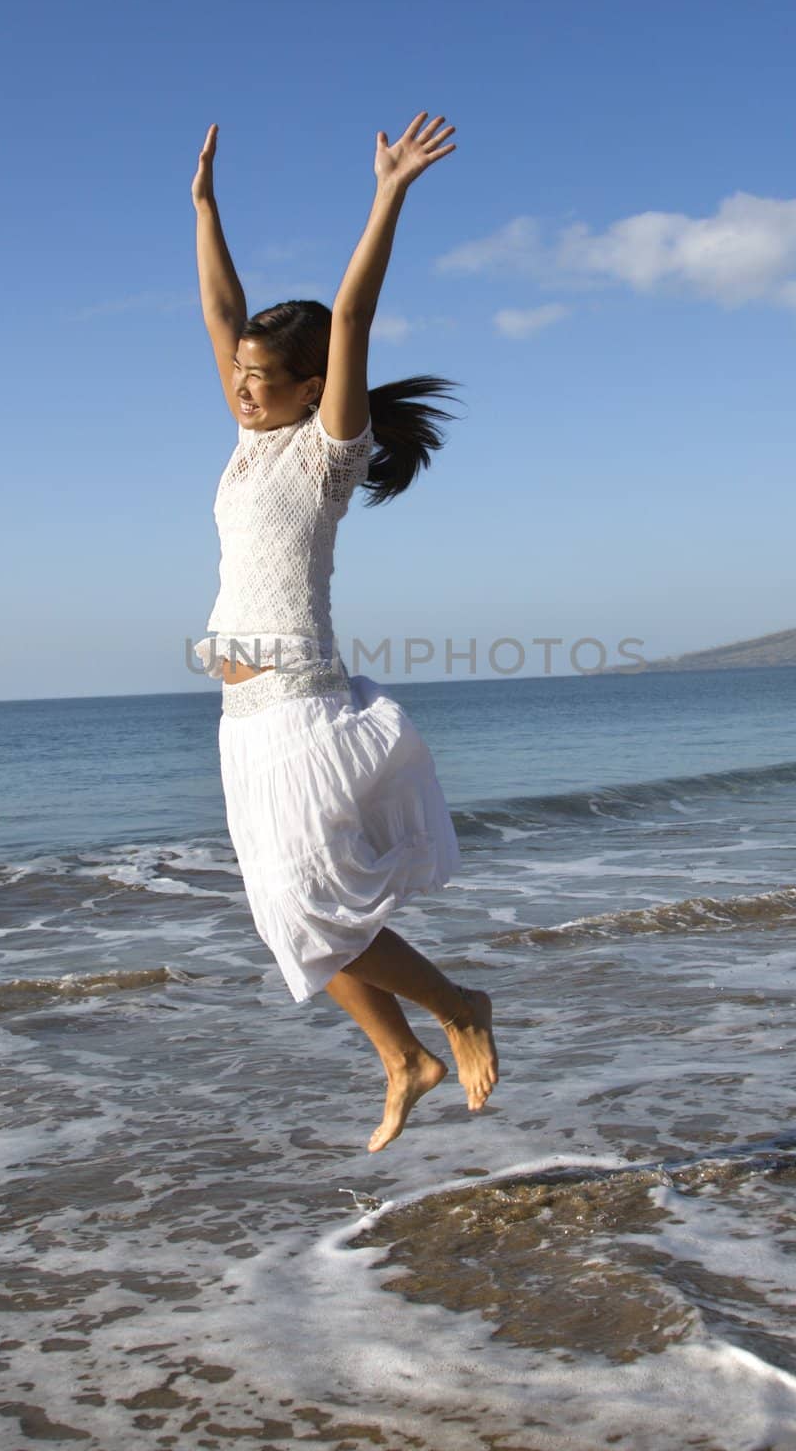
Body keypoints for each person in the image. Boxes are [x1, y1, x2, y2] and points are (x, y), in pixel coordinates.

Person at [189, 111, 499, 1153]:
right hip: (239, 716)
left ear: (315, 385)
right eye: (237, 371)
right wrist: (204, 209)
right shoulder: (245, 443)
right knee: (290, 923)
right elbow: (225, 310)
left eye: (260, 375)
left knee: (321, 907)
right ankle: (401, 1057)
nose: (241, 383)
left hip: (301, 703)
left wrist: (388, 195)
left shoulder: (327, 452)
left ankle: (457, 1007)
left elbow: (354, 312)